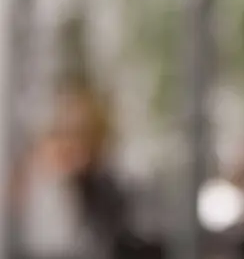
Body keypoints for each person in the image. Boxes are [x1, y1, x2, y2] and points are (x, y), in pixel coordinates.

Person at [12, 78, 164, 259]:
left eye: (80, 136)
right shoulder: (27, 184)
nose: (71, 146)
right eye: (61, 133)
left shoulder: (103, 191)